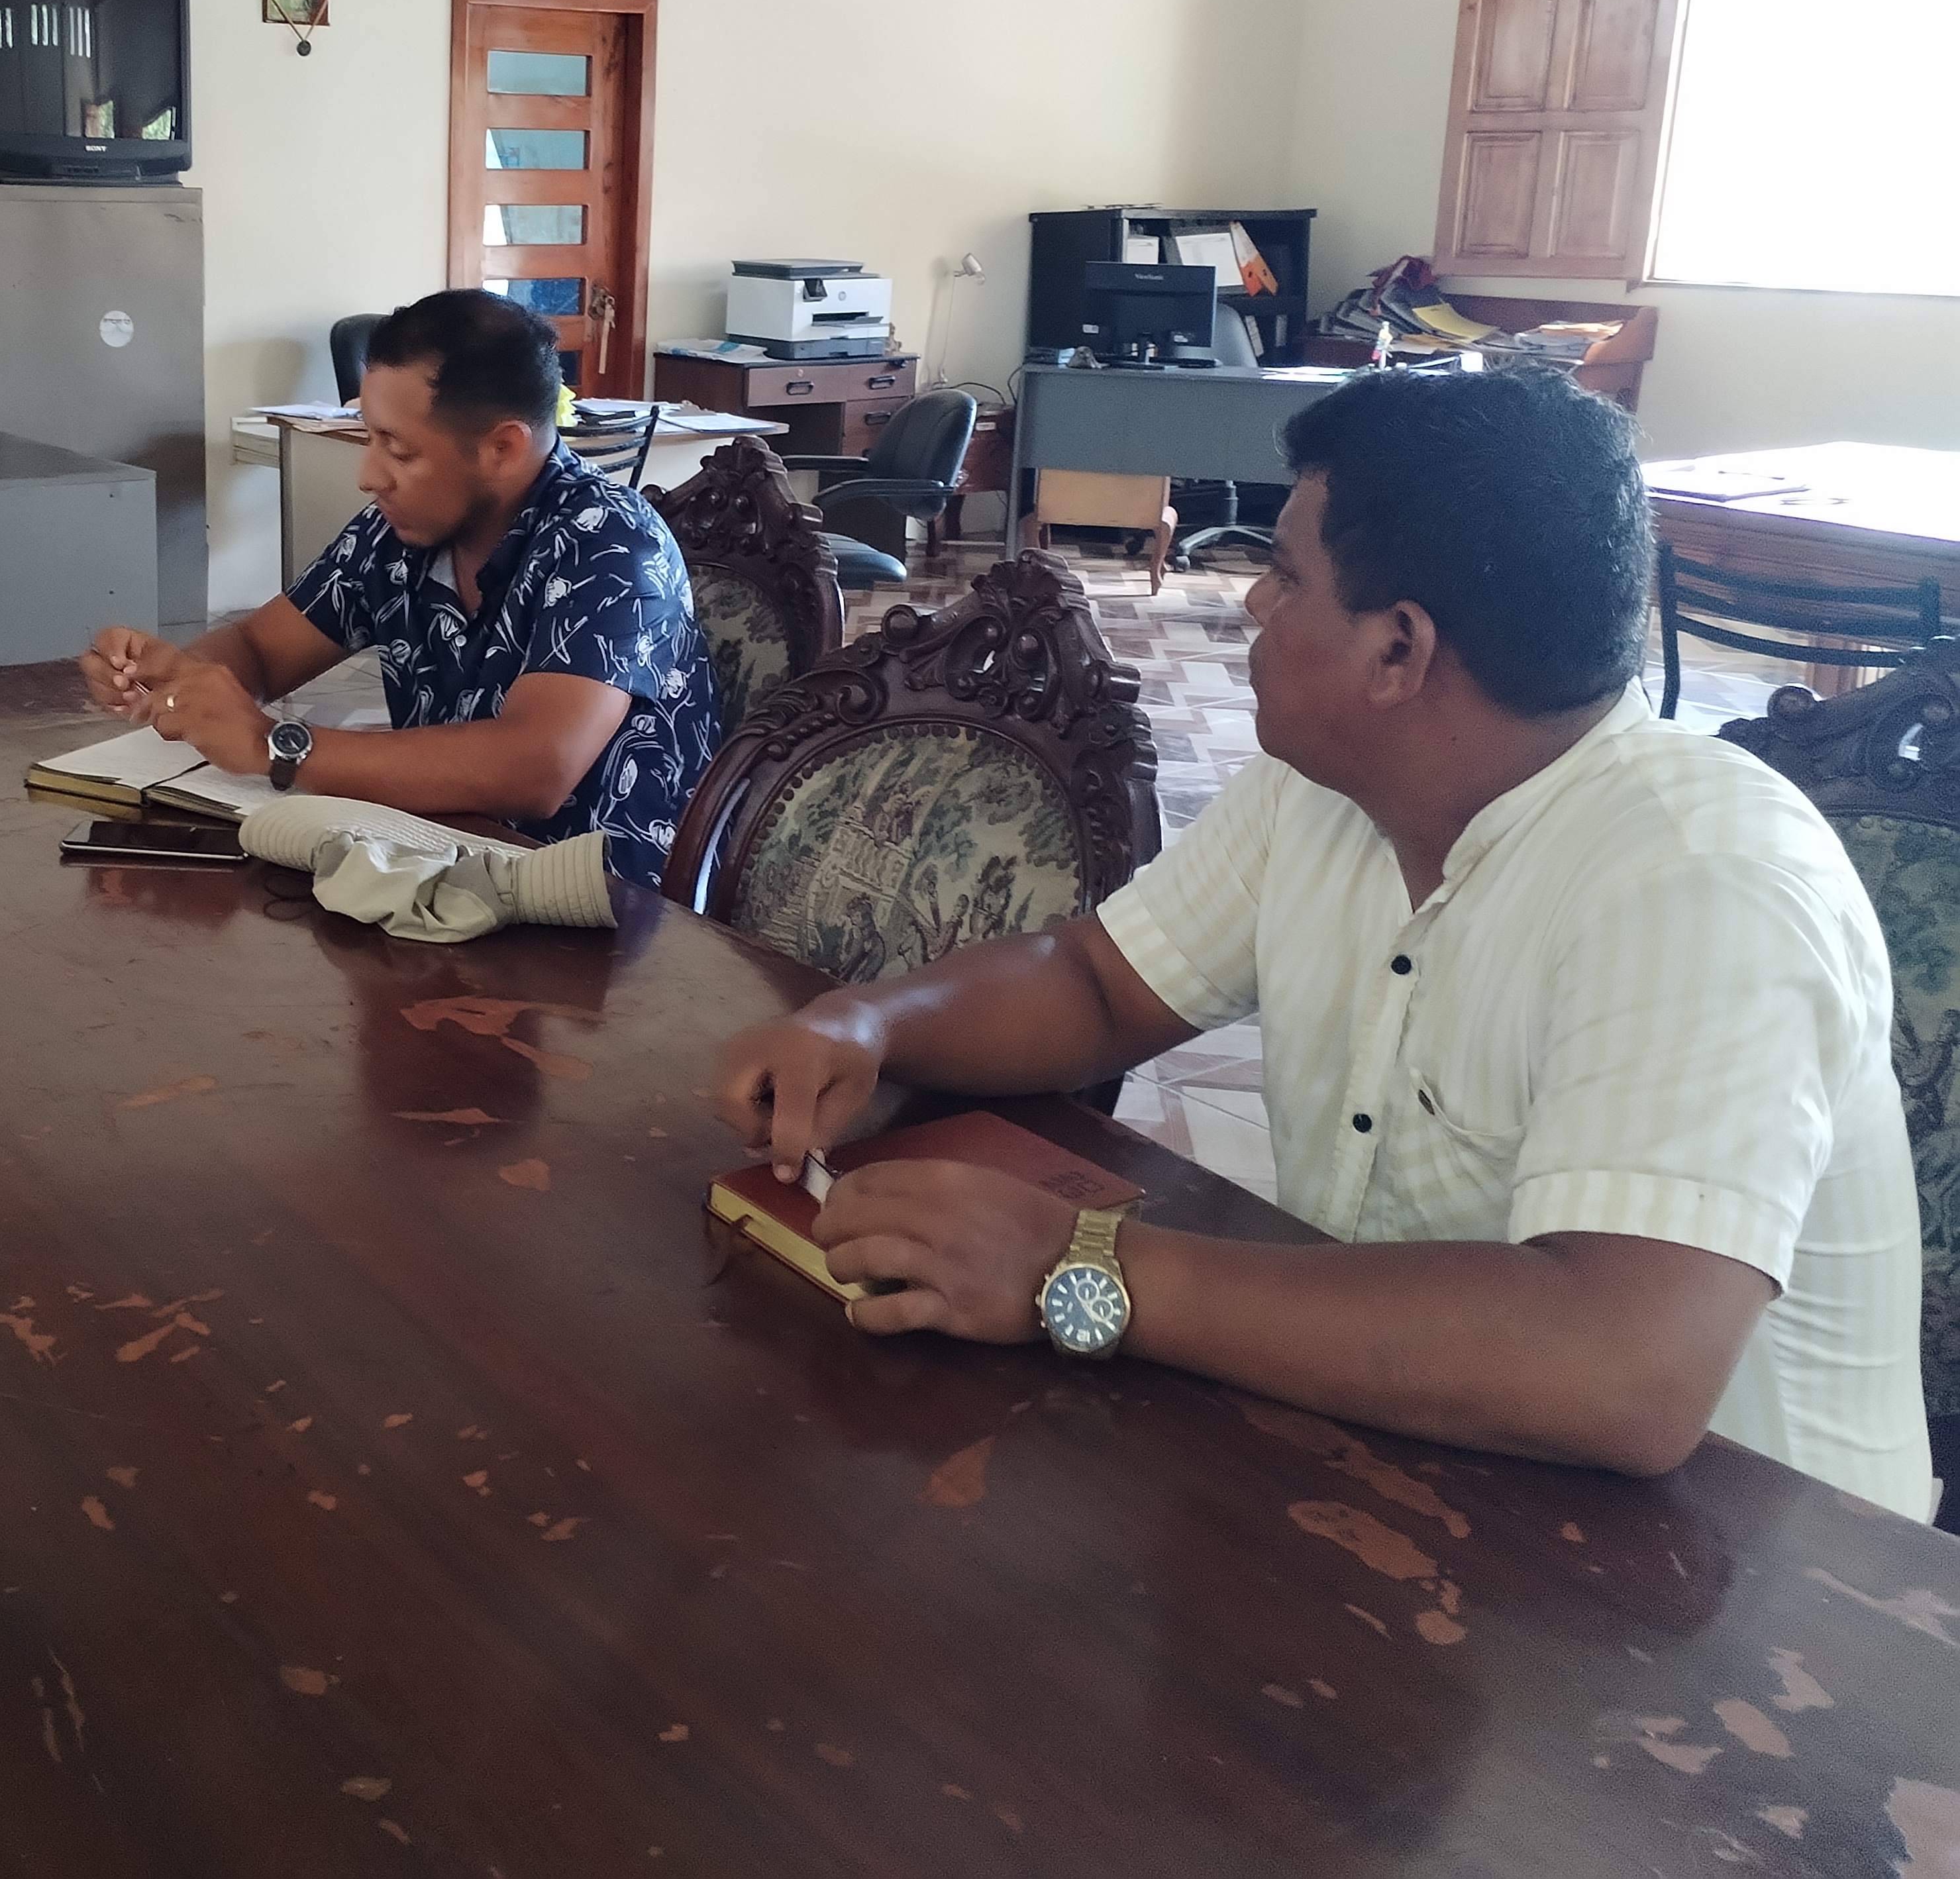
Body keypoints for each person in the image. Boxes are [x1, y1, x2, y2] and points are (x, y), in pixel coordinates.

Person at [712, 365, 1933, 1521]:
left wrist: (1078, 1268)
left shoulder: (1702, 881)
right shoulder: (1327, 789)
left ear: (1398, 650)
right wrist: (869, 1022)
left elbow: (1621, 1368)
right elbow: (1095, 982)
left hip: (1746, 1587)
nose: (1253, 601)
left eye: (1285, 576)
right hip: (1419, 1460)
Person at [79, 289, 718, 884]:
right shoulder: (397, 534)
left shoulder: (610, 543)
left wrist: (273, 746)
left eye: (398, 449)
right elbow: (262, 649)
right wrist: (178, 678)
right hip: (446, 870)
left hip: (601, 909)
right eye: (369, 436)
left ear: (501, 449)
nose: (368, 475)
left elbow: (534, 766)